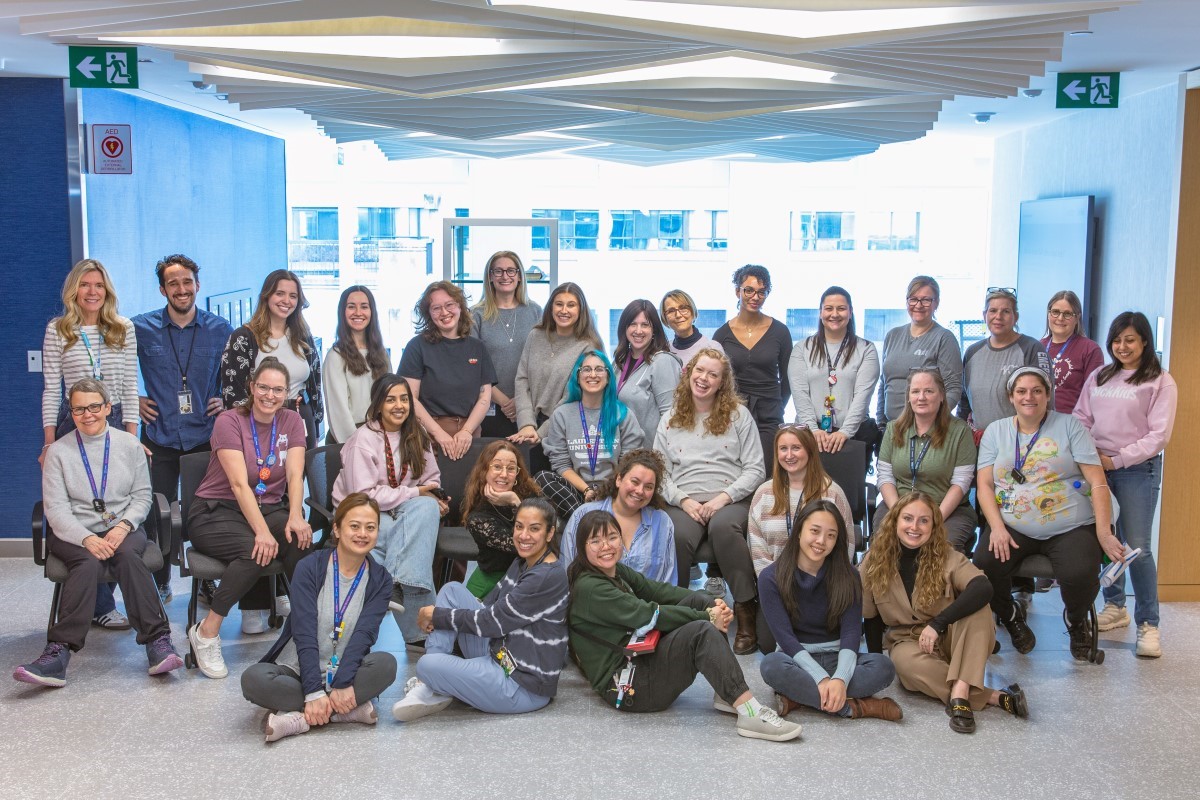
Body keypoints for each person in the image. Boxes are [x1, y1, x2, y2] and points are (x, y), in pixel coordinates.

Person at [566, 510, 801, 742]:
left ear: (621, 539)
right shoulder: (591, 587)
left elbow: (658, 591)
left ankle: (726, 691)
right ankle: (750, 713)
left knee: (701, 598)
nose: (605, 546)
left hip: (637, 655)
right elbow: (648, 615)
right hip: (627, 686)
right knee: (701, 631)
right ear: (582, 548)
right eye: (595, 541)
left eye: (611, 537)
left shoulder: (614, 571)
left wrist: (708, 605)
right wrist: (708, 616)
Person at [14, 379, 182, 687]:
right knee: (87, 562)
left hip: (123, 526)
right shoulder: (58, 452)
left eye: (94, 406)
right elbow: (55, 509)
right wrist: (86, 538)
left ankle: (158, 643)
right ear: (72, 411)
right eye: (79, 408)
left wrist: (123, 526)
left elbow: (143, 496)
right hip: (73, 532)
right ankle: (57, 653)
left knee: (130, 556)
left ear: (107, 407)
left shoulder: (129, 445)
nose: (87, 414)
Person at [973, 367, 1124, 661]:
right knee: (984, 562)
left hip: (1070, 524)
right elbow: (984, 486)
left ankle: (1077, 620)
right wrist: (997, 528)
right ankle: (1010, 615)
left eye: (1036, 391)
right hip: (1013, 523)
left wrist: (1104, 533)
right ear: (1011, 397)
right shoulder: (996, 431)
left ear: (1048, 395)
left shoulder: (1070, 426)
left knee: (1080, 571)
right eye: (1021, 391)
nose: (1029, 397)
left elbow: (1097, 482)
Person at [187, 357, 314, 678]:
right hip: (216, 509)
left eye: (278, 389)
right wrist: (261, 531)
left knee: (300, 541)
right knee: (253, 551)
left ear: (287, 391)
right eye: (264, 387)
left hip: (267, 506)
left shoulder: (292, 421)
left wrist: (296, 516)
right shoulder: (229, 421)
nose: (270, 395)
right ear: (252, 387)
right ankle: (206, 632)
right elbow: (238, 483)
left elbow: (296, 475)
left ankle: (305, 635)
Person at [861, 493, 1028, 734]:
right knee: (905, 666)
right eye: (908, 518)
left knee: (978, 606)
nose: (914, 527)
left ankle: (960, 695)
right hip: (908, 641)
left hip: (953, 637)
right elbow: (871, 618)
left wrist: (938, 624)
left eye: (923, 521)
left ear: (934, 526)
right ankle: (991, 696)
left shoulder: (946, 555)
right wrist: (875, 667)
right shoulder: (873, 562)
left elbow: (983, 586)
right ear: (895, 521)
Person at [392, 498, 568, 720]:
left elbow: (491, 622)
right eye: (519, 526)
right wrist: (446, 617)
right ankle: (431, 685)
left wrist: (437, 616)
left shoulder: (546, 576)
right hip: (502, 653)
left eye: (534, 529)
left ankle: (432, 682)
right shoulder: (523, 562)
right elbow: (488, 606)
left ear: (550, 533)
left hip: (520, 684)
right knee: (452, 591)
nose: (524, 536)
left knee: (427, 663)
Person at [241, 493, 398, 742]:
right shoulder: (310, 567)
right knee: (253, 679)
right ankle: (342, 710)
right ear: (336, 529)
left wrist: (344, 681)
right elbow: (303, 630)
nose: (362, 534)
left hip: (346, 670)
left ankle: (298, 718)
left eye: (371, 528)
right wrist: (313, 690)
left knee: (387, 665)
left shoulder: (380, 579)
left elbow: (365, 634)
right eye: (354, 526)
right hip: (299, 668)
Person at [42, 258, 141, 629]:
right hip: (75, 421)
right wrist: (50, 442)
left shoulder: (123, 328)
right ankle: (100, 604)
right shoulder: (58, 330)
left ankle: (112, 594)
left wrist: (132, 438)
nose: (93, 291)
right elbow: (52, 390)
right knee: (87, 508)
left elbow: (131, 386)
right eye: (85, 285)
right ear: (74, 291)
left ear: (107, 291)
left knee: (113, 508)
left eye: (99, 285)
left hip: (113, 417)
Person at [1074, 312, 1176, 658]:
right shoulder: (1100, 376)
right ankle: (1115, 606)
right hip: (1097, 468)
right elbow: (1080, 419)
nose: (1122, 347)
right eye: (1117, 340)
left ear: (1144, 341)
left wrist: (1116, 460)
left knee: (1138, 547)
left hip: (1136, 470)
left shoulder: (1160, 381)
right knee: (1106, 539)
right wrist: (1092, 456)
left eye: (1130, 340)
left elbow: (1158, 436)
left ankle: (1149, 624)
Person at [133, 254, 234, 603]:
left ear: (197, 285)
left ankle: (204, 578)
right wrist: (132, 397)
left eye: (187, 282)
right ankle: (159, 583)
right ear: (163, 289)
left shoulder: (220, 329)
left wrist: (223, 397)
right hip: (158, 435)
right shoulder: (139, 328)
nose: (181, 289)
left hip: (204, 435)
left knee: (205, 511)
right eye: (173, 283)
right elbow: (108, 366)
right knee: (157, 513)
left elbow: (235, 377)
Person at [654, 348, 765, 654]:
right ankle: (676, 615)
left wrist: (721, 500)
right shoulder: (670, 418)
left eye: (712, 374)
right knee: (675, 533)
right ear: (689, 373)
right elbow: (659, 473)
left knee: (723, 529)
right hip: (683, 502)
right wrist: (683, 500)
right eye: (699, 371)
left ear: (721, 382)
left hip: (730, 500)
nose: (704, 379)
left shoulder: (738, 415)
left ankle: (745, 611)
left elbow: (756, 468)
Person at [332, 374, 447, 647]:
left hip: (401, 510)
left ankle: (392, 585)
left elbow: (431, 481)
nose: (399, 405)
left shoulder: (417, 434)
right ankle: (421, 633)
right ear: (378, 404)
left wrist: (435, 497)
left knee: (428, 509)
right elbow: (365, 497)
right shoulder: (364, 439)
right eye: (391, 399)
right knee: (415, 542)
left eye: (405, 399)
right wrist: (416, 493)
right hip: (362, 513)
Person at [759, 500, 900, 721]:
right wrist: (822, 680)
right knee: (770, 666)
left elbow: (852, 633)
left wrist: (840, 679)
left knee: (884, 666)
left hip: (839, 656)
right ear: (798, 532)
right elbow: (785, 639)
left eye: (831, 535)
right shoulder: (770, 578)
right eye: (814, 531)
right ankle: (857, 708)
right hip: (796, 658)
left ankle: (800, 698)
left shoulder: (849, 575)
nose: (821, 541)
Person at [876, 369, 978, 554]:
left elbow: (961, 483)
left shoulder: (960, 431)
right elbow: (885, 477)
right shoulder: (893, 429)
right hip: (899, 505)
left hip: (947, 510)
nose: (921, 397)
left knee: (940, 551)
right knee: (884, 545)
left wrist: (933, 519)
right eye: (915, 391)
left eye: (929, 391)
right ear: (908, 397)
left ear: (941, 396)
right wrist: (899, 514)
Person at [536, 350, 644, 522]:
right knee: (542, 478)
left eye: (599, 369)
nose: (593, 374)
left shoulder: (623, 414)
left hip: (615, 489)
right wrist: (587, 490)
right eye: (586, 369)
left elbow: (628, 463)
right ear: (577, 377)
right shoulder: (562, 414)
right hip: (577, 490)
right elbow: (561, 463)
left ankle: (589, 519)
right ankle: (585, 518)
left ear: (608, 377)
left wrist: (607, 491)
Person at [221, 269, 323, 448]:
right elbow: (233, 394)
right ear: (266, 296)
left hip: (300, 418)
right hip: (260, 424)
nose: (286, 301)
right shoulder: (243, 337)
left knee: (300, 475)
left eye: (293, 296)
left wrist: (316, 425)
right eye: (280, 293)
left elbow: (315, 386)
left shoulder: (303, 336)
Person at [510, 282, 603, 472]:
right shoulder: (535, 335)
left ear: (581, 310)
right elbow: (522, 380)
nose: (564, 310)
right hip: (527, 427)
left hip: (562, 431)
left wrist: (540, 432)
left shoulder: (587, 346)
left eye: (571, 305)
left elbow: (573, 396)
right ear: (551, 306)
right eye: (559, 304)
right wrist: (527, 424)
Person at [399, 281, 496, 460]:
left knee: (469, 486)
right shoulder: (417, 347)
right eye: (436, 308)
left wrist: (467, 431)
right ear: (428, 314)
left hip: (470, 436)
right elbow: (409, 398)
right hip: (428, 435)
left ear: (460, 306)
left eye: (449, 305)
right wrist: (438, 433)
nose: (444, 312)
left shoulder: (478, 348)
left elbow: (485, 397)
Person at [712, 265, 792, 476]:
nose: (755, 297)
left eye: (761, 292)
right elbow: (716, 380)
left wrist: (775, 406)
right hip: (733, 415)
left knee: (766, 475)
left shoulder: (780, 332)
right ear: (737, 291)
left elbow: (788, 380)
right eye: (749, 290)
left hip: (769, 416)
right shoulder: (721, 335)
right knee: (735, 474)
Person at [788, 286, 880, 463]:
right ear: (820, 312)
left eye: (841, 308)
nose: (835, 314)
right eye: (829, 308)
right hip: (810, 437)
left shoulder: (866, 349)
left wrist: (845, 432)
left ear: (851, 312)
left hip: (852, 438)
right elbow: (799, 394)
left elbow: (863, 396)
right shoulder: (802, 348)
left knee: (847, 490)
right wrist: (813, 430)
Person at [748, 425, 854, 576]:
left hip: (823, 586)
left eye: (796, 448)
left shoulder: (832, 493)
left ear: (810, 450)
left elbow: (846, 545)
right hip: (775, 584)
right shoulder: (763, 494)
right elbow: (757, 550)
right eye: (783, 448)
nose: (789, 455)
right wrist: (772, 583)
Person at [561, 449, 677, 584]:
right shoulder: (583, 515)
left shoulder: (662, 522)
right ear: (619, 479)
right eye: (635, 482)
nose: (640, 491)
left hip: (646, 604)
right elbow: (568, 570)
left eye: (648, 487)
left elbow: (668, 580)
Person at [958, 288, 1051, 434]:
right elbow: (964, 402)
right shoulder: (972, 352)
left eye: (1006, 311)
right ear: (984, 315)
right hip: (978, 441)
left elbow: (1047, 401)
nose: (998, 317)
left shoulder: (1032, 348)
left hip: (1020, 441)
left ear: (1016, 317)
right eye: (993, 310)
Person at [471, 251, 542, 438]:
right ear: (490, 277)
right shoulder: (476, 315)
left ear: (519, 276)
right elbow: (472, 366)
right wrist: (503, 402)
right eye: (498, 271)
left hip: (528, 408)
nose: (505, 276)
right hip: (489, 408)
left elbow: (541, 361)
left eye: (511, 271)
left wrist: (521, 401)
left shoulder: (535, 311)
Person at [877, 275, 963, 427]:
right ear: (907, 301)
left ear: (936, 303)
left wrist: (933, 422)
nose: (919, 305)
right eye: (914, 299)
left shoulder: (944, 338)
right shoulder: (892, 335)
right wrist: (881, 423)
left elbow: (953, 388)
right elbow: (884, 383)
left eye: (926, 300)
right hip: (891, 428)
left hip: (926, 429)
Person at [461, 441, 543, 598]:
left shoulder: (528, 494)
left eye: (511, 468)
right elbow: (525, 545)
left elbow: (549, 530)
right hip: (493, 584)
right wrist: (516, 503)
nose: (504, 474)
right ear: (484, 471)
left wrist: (516, 502)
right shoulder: (478, 517)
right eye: (497, 467)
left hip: (533, 577)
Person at [322, 285, 389, 444]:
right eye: (351, 307)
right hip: (350, 439)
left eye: (364, 307)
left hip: (380, 435)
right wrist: (356, 447)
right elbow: (339, 413)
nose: (358, 312)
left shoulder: (381, 354)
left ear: (371, 312)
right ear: (342, 312)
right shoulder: (335, 356)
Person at [611, 299, 681, 443]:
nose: (638, 331)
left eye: (645, 325)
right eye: (632, 324)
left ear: (654, 330)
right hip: (621, 451)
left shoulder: (663, 362)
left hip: (649, 457)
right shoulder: (619, 362)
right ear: (625, 328)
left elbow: (671, 417)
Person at [1041, 290, 1103, 414]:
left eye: (1067, 314)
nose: (1060, 318)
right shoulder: (1036, 347)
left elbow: (1094, 396)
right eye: (1055, 312)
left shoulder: (1090, 349)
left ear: (1077, 318)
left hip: (1072, 424)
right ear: (1048, 314)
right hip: (1037, 422)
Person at [660, 289, 723, 367]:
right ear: (665, 318)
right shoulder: (664, 350)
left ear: (693, 312)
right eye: (671, 311)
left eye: (683, 308)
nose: (678, 315)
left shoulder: (713, 348)